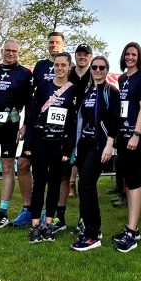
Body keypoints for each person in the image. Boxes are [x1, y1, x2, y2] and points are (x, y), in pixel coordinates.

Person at [22, 51, 78, 243]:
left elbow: (72, 123)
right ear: (53, 66)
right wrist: (28, 144)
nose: (60, 68)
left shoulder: (73, 90)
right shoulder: (43, 87)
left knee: (55, 185)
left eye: (63, 65)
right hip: (40, 142)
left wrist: (68, 150)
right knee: (39, 184)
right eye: (57, 65)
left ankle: (48, 224)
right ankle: (35, 225)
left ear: (69, 67)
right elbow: (32, 115)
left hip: (59, 144)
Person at [0, 39, 33, 228]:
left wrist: (24, 125)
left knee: (8, 166)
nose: (10, 53)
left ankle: (3, 211)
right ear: (3, 51)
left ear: (18, 53)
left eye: (14, 51)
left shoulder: (25, 74)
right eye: (7, 50)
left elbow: (29, 103)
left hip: (11, 125)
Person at [71, 55, 120, 251]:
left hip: (100, 145)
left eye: (102, 67)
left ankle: (94, 233)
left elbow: (114, 119)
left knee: (87, 183)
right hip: (84, 143)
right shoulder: (88, 91)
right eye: (95, 67)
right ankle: (86, 225)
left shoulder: (111, 91)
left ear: (107, 70)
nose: (98, 70)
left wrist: (110, 144)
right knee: (84, 185)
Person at [113, 42, 141, 253]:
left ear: (139, 56)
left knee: (135, 181)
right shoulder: (121, 78)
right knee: (127, 180)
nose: (130, 57)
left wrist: (136, 134)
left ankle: (132, 232)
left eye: (134, 54)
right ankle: (130, 228)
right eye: (127, 54)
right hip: (122, 136)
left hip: (135, 137)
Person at [65, 43, 93, 199]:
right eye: (79, 54)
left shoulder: (94, 72)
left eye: (85, 54)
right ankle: (68, 181)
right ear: (75, 55)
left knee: (81, 149)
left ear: (90, 57)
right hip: (69, 116)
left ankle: (75, 181)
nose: (82, 57)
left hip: (87, 118)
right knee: (69, 148)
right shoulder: (69, 73)